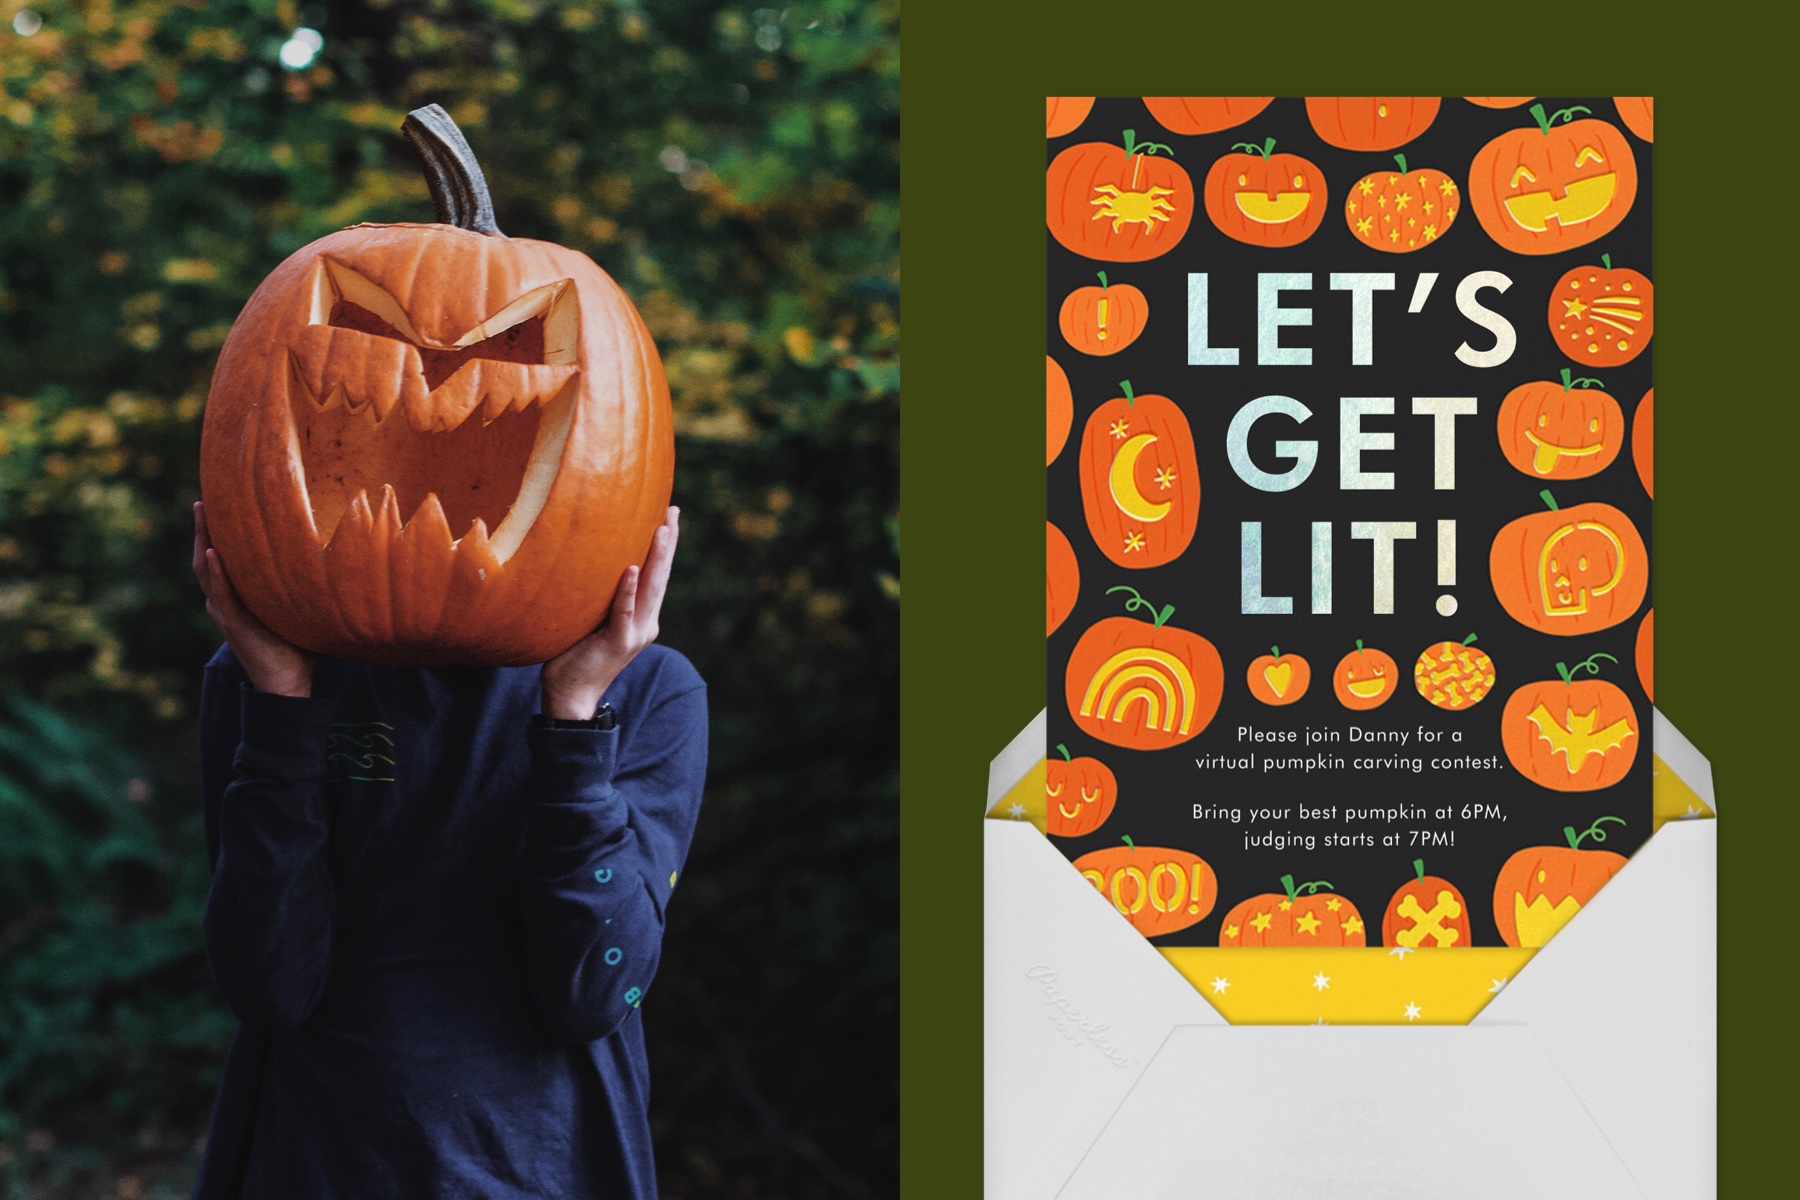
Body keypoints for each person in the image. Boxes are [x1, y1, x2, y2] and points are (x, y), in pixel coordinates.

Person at [187, 500, 704, 1199]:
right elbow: (267, 986)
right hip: (317, 1160)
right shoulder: (271, 675)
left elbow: (591, 996)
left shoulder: (646, 689)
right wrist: (281, 700)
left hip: (548, 1168)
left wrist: (574, 718)